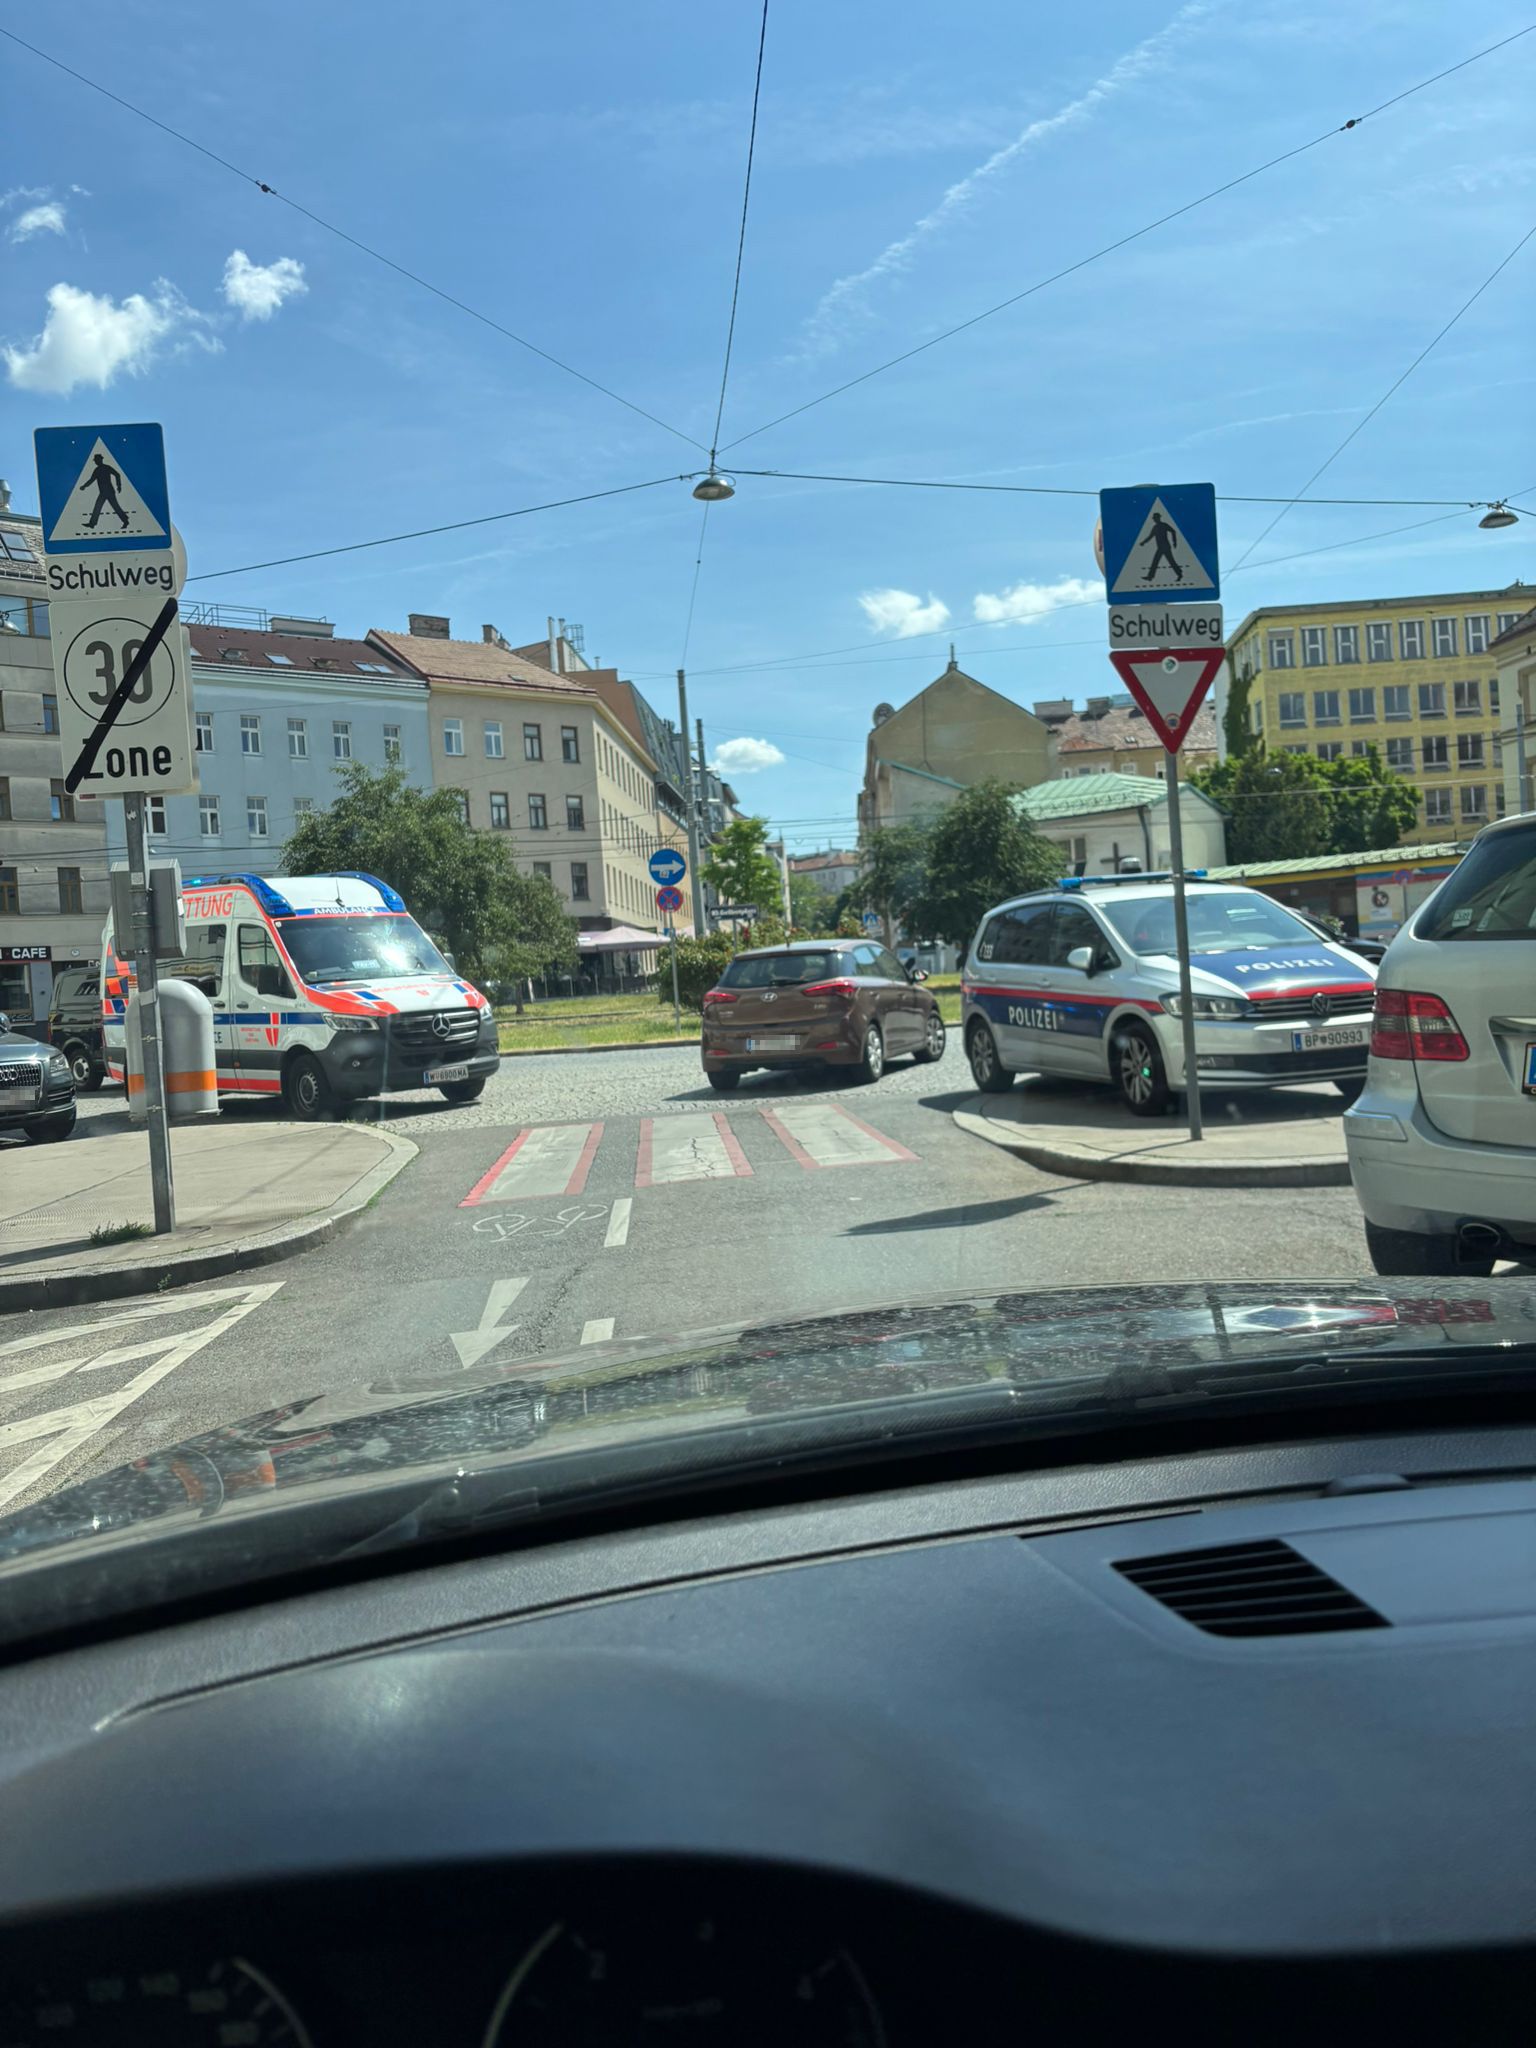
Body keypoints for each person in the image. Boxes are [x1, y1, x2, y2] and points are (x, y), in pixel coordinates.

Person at [80, 451, 130, 532]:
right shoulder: (99, 469)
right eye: (95, 461)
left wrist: (119, 486)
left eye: (96, 460)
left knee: (114, 506)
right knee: (99, 506)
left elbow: (117, 474)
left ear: (100, 460)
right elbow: (92, 480)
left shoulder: (103, 468)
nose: (95, 462)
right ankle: (92, 524)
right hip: (104, 492)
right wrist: (84, 486)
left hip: (108, 492)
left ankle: (125, 521)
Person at [1139, 509, 1183, 583]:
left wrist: (1174, 542)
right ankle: (1150, 577)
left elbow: (1173, 531)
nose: (1154, 520)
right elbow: (1150, 536)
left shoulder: (1164, 525)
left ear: (1158, 518)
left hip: (1165, 547)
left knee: (1168, 561)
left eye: (1155, 518)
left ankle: (1179, 574)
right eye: (1154, 519)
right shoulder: (1155, 527)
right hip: (1160, 547)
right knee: (1159, 561)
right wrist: (1143, 542)